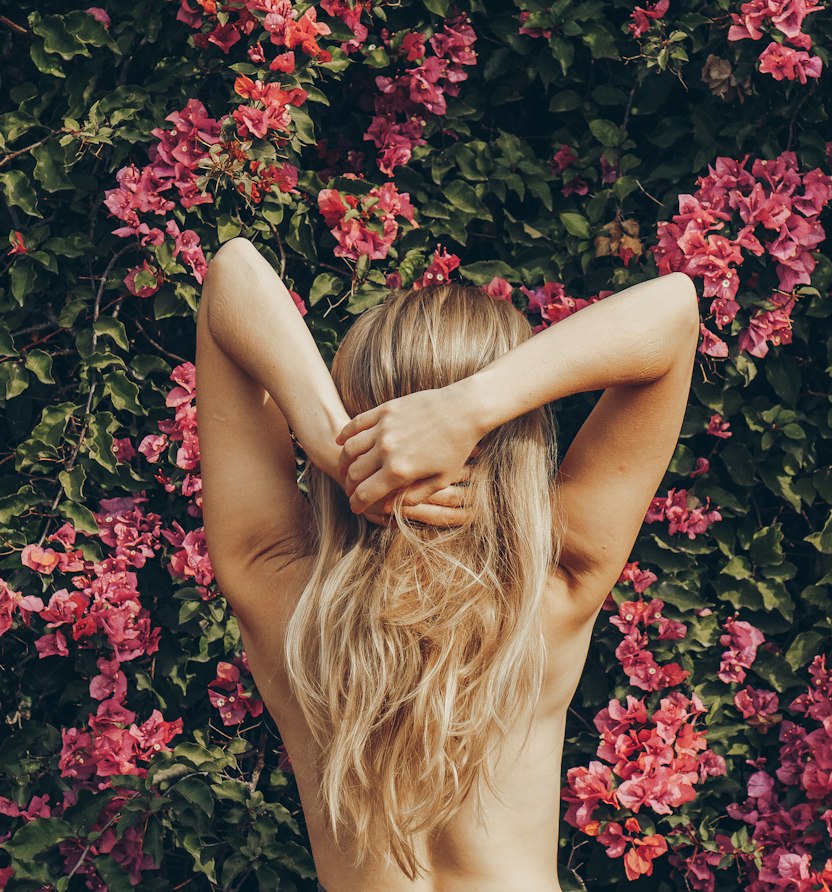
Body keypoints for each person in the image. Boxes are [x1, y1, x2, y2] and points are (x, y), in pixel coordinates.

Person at [195, 235, 700, 892]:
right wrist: (475, 407)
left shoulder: (282, 594)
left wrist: (336, 441)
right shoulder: (553, 589)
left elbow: (232, 276)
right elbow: (676, 312)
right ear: (518, 443)